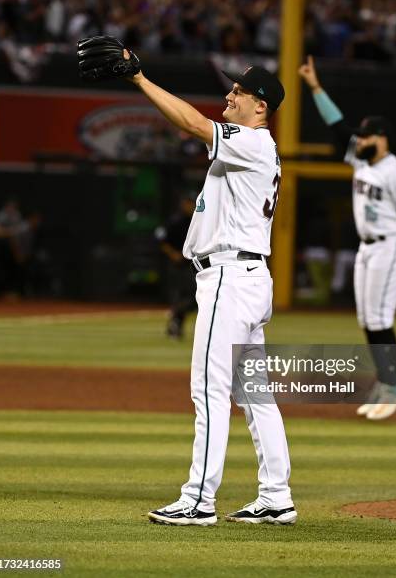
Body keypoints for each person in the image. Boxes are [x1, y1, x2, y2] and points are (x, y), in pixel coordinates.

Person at [126, 58, 296, 525]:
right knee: (255, 395)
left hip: (230, 277)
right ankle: (276, 496)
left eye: (238, 92)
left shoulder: (254, 142)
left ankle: (199, 500)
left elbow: (191, 122)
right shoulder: (247, 149)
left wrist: (139, 79)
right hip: (246, 278)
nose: (228, 97)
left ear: (260, 107)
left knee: (209, 390)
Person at [299, 55, 396, 421]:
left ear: (382, 139)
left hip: (393, 247)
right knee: (368, 319)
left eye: (366, 135)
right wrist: (315, 87)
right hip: (368, 247)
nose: (359, 138)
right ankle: (387, 381)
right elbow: (337, 126)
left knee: (379, 318)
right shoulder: (362, 160)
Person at [155, 193, 197, 338]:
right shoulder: (175, 221)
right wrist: (173, 254)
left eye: (191, 203)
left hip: (192, 264)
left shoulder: (197, 220)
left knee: (193, 296)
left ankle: (175, 318)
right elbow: (162, 240)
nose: (189, 206)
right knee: (182, 294)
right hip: (177, 264)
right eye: (187, 203)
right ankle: (175, 324)